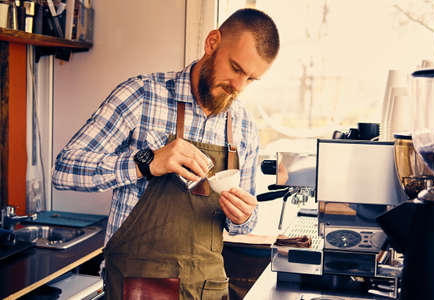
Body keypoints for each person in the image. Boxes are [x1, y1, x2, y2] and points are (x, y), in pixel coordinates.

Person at [52, 8, 279, 300]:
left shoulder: (244, 127)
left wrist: (244, 215)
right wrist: (146, 163)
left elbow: (244, 224)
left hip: (207, 290)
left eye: (251, 79)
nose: (238, 87)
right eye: (236, 68)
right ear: (212, 42)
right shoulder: (142, 95)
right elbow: (64, 170)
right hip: (137, 290)